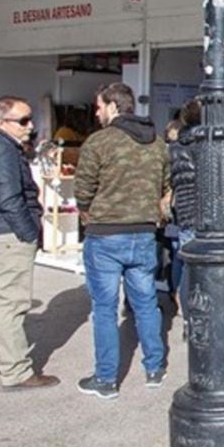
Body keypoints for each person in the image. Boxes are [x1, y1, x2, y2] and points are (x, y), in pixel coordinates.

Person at [75, 83, 171, 400]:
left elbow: (83, 188)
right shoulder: (157, 143)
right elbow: (166, 186)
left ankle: (106, 379)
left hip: (105, 234)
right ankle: (155, 368)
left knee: (104, 308)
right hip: (143, 232)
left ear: (114, 106)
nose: (97, 112)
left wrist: (88, 212)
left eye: (99, 106)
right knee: (145, 303)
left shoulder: (99, 142)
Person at [0, 96, 58, 389]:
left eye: (31, 120)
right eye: (23, 121)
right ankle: (16, 370)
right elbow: (9, 198)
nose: (30, 127)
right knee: (11, 303)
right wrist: (29, 231)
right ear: (1, 121)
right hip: (6, 234)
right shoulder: (0, 149)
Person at [167, 101, 200, 333]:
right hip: (208, 212)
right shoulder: (208, 146)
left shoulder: (175, 147)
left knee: (186, 261)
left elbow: (171, 179)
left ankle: (186, 312)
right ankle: (196, 312)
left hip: (185, 210)